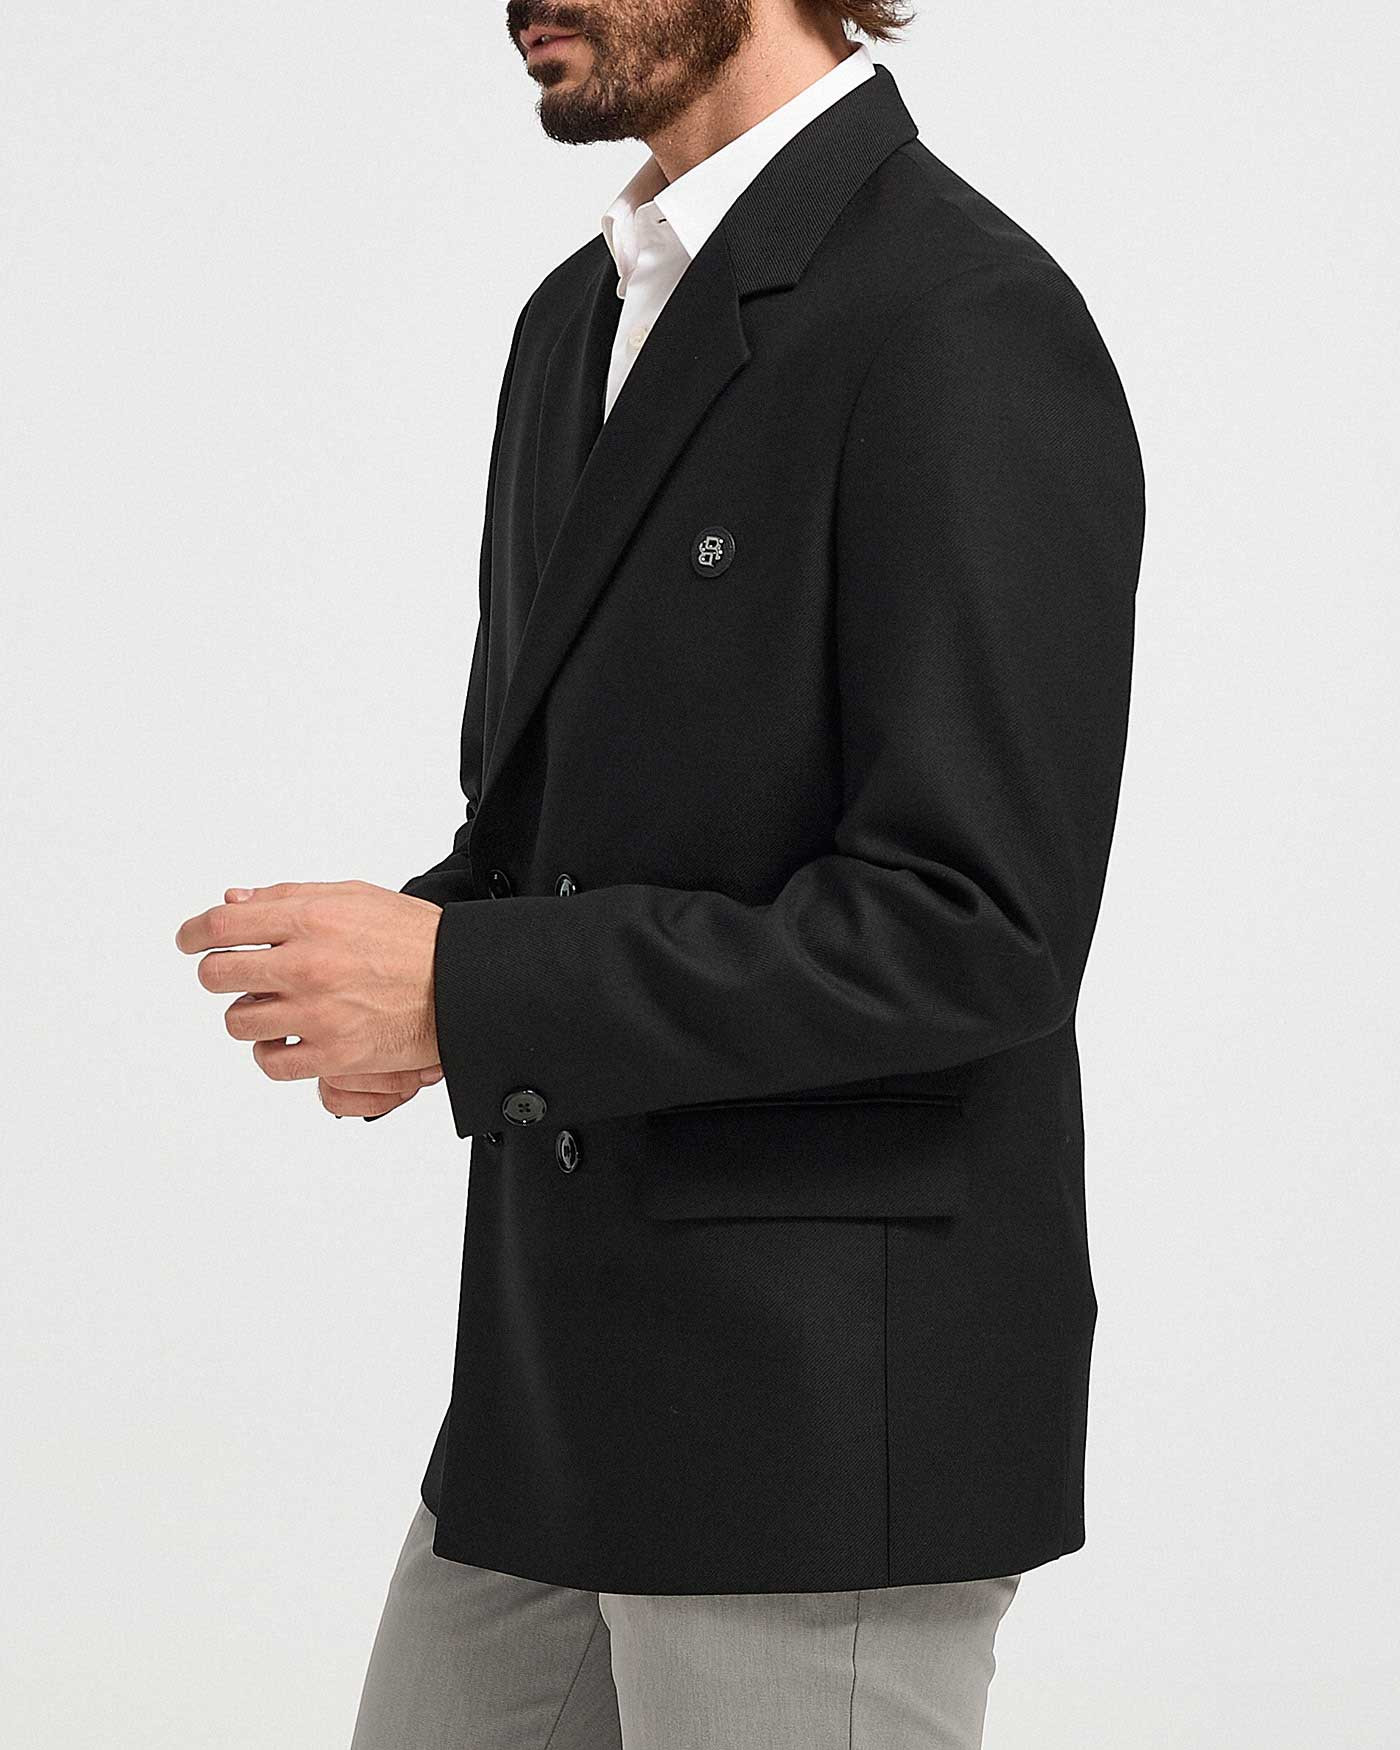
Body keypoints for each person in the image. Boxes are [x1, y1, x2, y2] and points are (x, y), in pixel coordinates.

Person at [176, 1, 1145, 1743]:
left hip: (816, 1421)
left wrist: (469, 991)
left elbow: (975, 931)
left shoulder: (962, 315)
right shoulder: (576, 321)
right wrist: (411, 961)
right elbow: (559, 835)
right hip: (551, 1381)